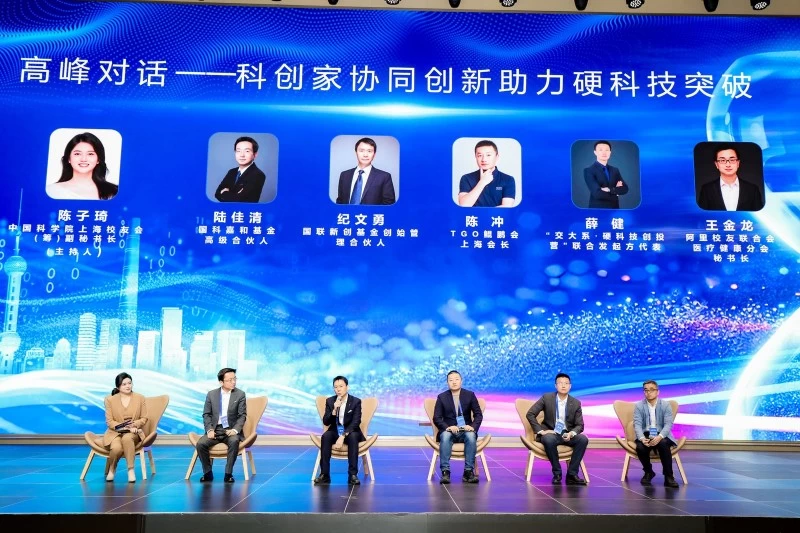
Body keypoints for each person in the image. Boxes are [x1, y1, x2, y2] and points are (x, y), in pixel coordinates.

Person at [526, 373, 589, 485]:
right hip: (551, 433)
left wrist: (571, 433)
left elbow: (580, 425)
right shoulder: (547, 398)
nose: (563, 385)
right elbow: (530, 414)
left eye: (566, 383)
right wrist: (541, 431)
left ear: (570, 386)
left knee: (583, 439)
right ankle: (557, 473)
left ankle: (572, 474)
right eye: (560, 383)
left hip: (567, 434)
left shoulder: (576, 403)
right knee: (548, 439)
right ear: (555, 385)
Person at [195, 368, 247, 483]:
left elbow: (242, 416)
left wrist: (235, 430)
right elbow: (206, 414)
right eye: (230, 380)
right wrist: (209, 430)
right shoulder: (211, 394)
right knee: (201, 444)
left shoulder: (240, 394)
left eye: (234, 379)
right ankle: (207, 473)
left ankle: (228, 474)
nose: (233, 382)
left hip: (230, 430)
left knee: (234, 441)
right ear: (221, 382)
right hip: (216, 429)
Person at [313, 375, 366, 485]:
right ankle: (324, 475)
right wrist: (334, 410)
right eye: (336, 387)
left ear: (347, 387)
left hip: (351, 431)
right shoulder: (330, 401)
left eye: (341, 386)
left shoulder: (356, 401)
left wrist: (343, 436)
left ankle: (352, 475)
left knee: (353, 437)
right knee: (326, 436)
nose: (338, 389)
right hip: (335, 430)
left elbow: (356, 422)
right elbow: (326, 422)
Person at [432, 370, 483, 484]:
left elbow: (478, 415)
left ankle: (468, 472)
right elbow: (437, 417)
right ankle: (445, 472)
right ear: (447, 383)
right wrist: (447, 427)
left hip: (466, 430)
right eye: (451, 380)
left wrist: (472, 427)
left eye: (456, 379)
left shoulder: (470, 395)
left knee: (471, 436)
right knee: (445, 436)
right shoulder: (442, 397)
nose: (454, 382)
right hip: (449, 430)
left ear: (461, 381)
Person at [102, 372, 147, 483]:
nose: (128, 386)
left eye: (129, 383)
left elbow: (144, 418)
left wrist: (134, 425)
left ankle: (130, 470)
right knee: (116, 448)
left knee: (127, 438)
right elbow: (110, 421)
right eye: (124, 384)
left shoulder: (140, 398)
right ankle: (112, 469)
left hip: (133, 432)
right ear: (118, 387)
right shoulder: (110, 400)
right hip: (115, 432)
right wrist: (124, 427)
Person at [634, 380, 680, 488]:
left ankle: (668, 476)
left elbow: (668, 424)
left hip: (662, 433)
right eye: (646, 390)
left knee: (663, 444)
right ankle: (648, 472)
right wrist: (642, 438)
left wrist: (660, 437)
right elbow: (637, 424)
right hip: (646, 433)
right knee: (640, 447)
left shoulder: (665, 405)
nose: (648, 392)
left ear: (658, 392)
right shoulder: (639, 405)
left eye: (652, 390)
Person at [47, 132, 118, 200]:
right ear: (69, 158)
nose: (83, 159)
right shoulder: (52, 191)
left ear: (98, 160)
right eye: (77, 154)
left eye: (90, 154)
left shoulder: (114, 192)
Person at [697, 145, 764, 211]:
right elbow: (701, 215)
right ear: (716, 164)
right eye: (722, 160)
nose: (728, 164)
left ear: (738, 163)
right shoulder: (707, 190)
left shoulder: (752, 189)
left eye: (732, 160)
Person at [336, 137, 396, 205]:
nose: (365, 155)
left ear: (374, 154)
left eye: (369, 151)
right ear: (356, 152)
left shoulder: (384, 177)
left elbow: (389, 204)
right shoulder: (344, 175)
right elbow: (340, 201)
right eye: (361, 151)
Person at [458, 140, 516, 207]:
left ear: (497, 157)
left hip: (495, 215)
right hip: (473, 215)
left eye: (488, 155)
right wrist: (482, 182)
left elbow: (506, 207)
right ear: (475, 157)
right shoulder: (466, 178)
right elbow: (464, 205)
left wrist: (483, 213)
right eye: (480, 155)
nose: (484, 159)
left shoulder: (508, 179)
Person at [214, 136, 266, 203]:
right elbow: (217, 194)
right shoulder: (232, 172)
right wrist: (234, 196)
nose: (242, 155)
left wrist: (224, 193)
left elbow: (241, 201)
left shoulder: (258, 175)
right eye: (238, 151)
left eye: (247, 151)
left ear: (255, 155)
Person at [583, 140, 628, 208]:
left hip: (614, 209)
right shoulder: (589, 170)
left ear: (610, 152)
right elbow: (597, 194)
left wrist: (609, 189)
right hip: (597, 209)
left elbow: (625, 188)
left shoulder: (615, 170)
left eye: (607, 150)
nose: (604, 152)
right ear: (595, 152)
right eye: (600, 150)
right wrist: (616, 193)